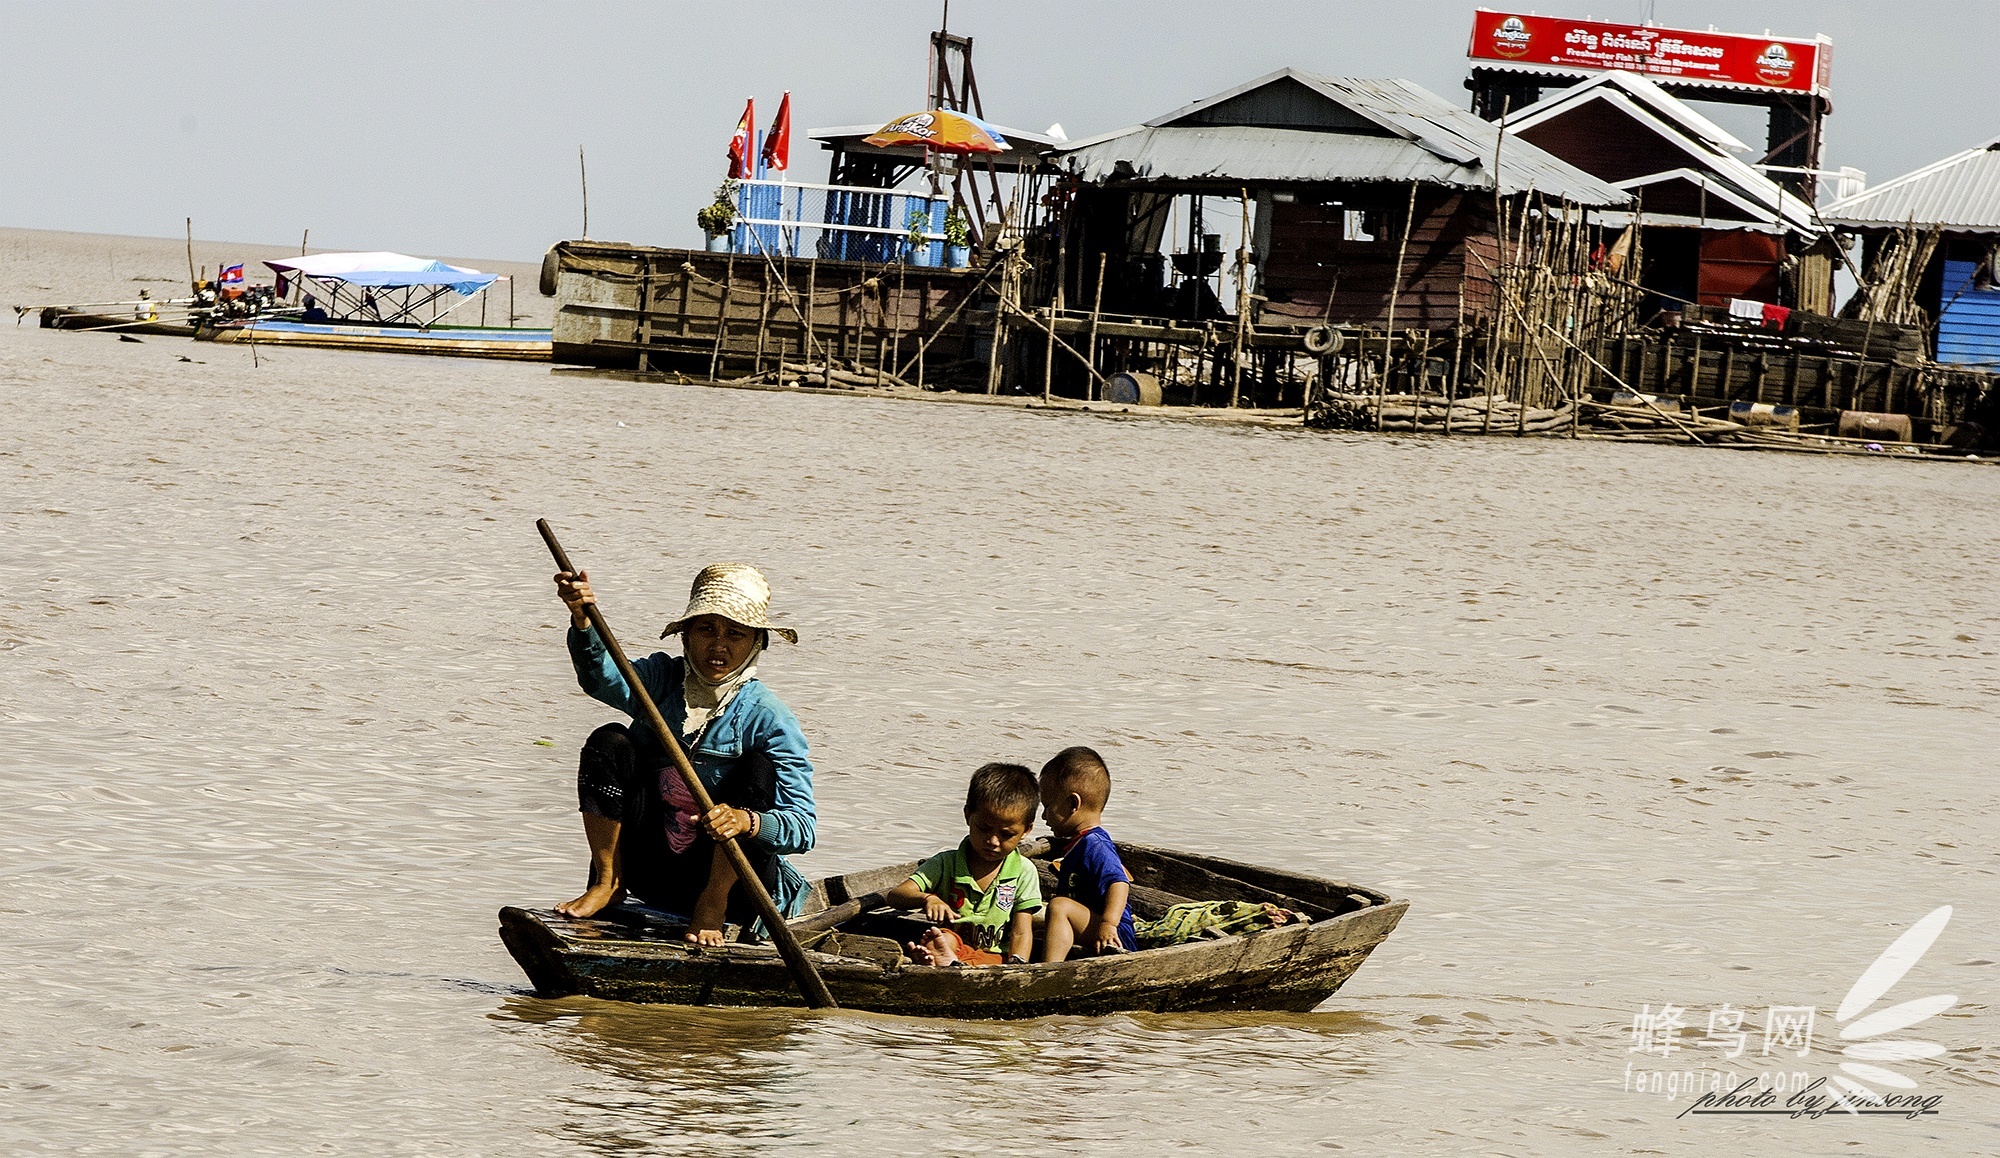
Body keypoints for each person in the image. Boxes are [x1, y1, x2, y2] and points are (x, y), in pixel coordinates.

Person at [552, 561, 816, 948]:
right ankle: (608, 881)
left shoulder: (770, 717)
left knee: (756, 769)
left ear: (757, 643)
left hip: (730, 882)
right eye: (706, 629)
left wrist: (746, 821)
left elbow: (802, 828)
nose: (718, 646)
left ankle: (711, 904)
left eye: (736, 634)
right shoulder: (662, 679)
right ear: (686, 635)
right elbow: (602, 679)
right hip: (653, 866)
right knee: (609, 740)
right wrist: (582, 620)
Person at [886, 763, 1043, 966]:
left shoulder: (1023, 871)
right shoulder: (946, 863)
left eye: (1007, 834)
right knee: (942, 938)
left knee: (990, 961)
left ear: (1026, 830)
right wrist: (928, 899)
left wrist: (1018, 965)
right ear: (968, 815)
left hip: (994, 958)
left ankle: (950, 964)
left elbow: (1021, 932)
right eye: (984, 829)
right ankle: (946, 960)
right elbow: (896, 895)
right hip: (953, 947)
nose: (993, 841)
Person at [1037, 746, 1137, 961]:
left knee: (1059, 906)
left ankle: (1049, 971)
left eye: (1047, 806)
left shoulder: (1094, 843)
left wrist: (1109, 924)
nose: (1044, 816)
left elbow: (1119, 883)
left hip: (1113, 935)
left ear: (1073, 803)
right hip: (1091, 923)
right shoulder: (1078, 843)